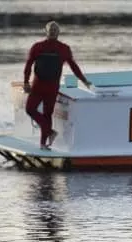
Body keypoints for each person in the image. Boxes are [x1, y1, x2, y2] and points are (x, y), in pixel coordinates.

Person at [23, 21, 92, 150]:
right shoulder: (37, 47)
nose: (53, 31)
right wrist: (26, 82)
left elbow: (73, 66)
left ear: (58, 32)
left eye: (55, 30)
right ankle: (49, 131)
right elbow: (28, 65)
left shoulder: (64, 48)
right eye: (51, 29)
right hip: (38, 86)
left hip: (52, 87)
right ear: (46, 31)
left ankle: (43, 144)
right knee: (30, 109)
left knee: (47, 114)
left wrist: (84, 80)